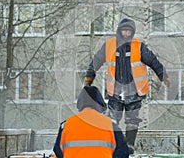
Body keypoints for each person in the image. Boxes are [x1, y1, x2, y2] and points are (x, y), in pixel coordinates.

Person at [85, 18, 171, 154]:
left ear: (132, 32)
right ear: (119, 31)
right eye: (124, 30)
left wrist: (163, 75)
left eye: (129, 31)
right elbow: (96, 60)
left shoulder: (138, 46)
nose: (126, 33)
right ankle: (113, 145)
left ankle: (129, 146)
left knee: (132, 120)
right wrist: (90, 75)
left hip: (135, 91)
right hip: (115, 91)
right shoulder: (110, 45)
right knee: (112, 120)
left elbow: (153, 61)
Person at [53, 86, 129, 158]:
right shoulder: (111, 125)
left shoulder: (66, 125)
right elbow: (123, 152)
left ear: (80, 104)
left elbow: (58, 151)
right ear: (100, 105)